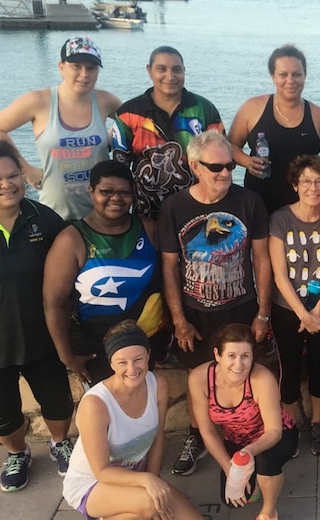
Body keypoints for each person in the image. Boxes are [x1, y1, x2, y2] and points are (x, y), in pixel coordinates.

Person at [157, 129, 272, 475]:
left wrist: (263, 314)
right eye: (216, 167)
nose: (224, 174)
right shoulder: (175, 207)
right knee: (197, 378)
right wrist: (179, 320)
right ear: (195, 165)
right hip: (195, 313)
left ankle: (253, 438)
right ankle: (198, 437)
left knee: (247, 375)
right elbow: (169, 266)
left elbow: (262, 259)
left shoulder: (249, 201)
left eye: (229, 168)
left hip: (241, 307)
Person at [0, 140, 74, 490]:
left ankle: (61, 444)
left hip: (43, 339)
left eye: (13, 174)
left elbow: (72, 269)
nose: (7, 184)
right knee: (2, 418)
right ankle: (18, 453)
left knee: (58, 404)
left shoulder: (42, 217)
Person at [62, 321, 202, 520]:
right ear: (111, 363)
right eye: (122, 362)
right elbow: (101, 471)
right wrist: (147, 483)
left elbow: (157, 439)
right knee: (149, 505)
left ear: (148, 355)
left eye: (138, 359)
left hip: (135, 474)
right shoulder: (95, 405)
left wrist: (153, 480)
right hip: (93, 483)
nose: (132, 369)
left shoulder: (158, 385)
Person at [43, 160, 167, 386]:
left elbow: (169, 280)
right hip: (95, 347)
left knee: (141, 410)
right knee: (103, 416)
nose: (116, 199)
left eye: (124, 192)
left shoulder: (149, 229)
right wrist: (67, 356)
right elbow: (54, 303)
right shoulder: (71, 240)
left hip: (143, 343)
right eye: (106, 192)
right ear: (91, 192)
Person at [0, 36, 121, 221]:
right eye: (76, 66)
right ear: (61, 66)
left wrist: (109, 138)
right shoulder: (39, 101)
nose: (84, 74)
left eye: (91, 68)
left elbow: (134, 121)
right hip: (54, 214)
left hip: (100, 212)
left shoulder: (106, 101)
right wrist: (26, 170)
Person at [268, 155, 320, 455]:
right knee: (289, 368)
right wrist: (303, 314)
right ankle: (291, 424)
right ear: (296, 184)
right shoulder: (280, 219)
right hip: (288, 309)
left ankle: (319, 422)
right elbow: (279, 273)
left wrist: (319, 310)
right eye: (307, 181)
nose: (313, 187)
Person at [188, 323, 298, 520]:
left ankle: (269, 511)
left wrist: (248, 453)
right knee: (231, 499)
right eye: (231, 356)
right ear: (217, 355)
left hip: (275, 435)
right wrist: (230, 469)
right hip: (236, 440)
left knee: (266, 462)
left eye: (245, 356)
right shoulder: (199, 378)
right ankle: (253, 480)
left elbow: (274, 431)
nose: (238, 365)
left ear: (252, 356)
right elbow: (207, 431)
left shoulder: (262, 378)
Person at [113, 45, 225, 219]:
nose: (170, 76)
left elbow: (221, 159)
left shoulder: (203, 109)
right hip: (147, 213)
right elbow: (120, 168)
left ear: (184, 71)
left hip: (196, 209)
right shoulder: (128, 113)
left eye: (176, 70)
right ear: (149, 71)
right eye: (161, 69)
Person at [229, 44, 320, 215]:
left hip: (305, 208)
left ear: (305, 76)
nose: (290, 81)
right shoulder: (252, 108)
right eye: (283, 74)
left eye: (297, 74)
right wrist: (247, 162)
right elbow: (231, 146)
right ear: (273, 76)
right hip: (259, 204)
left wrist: (310, 170)